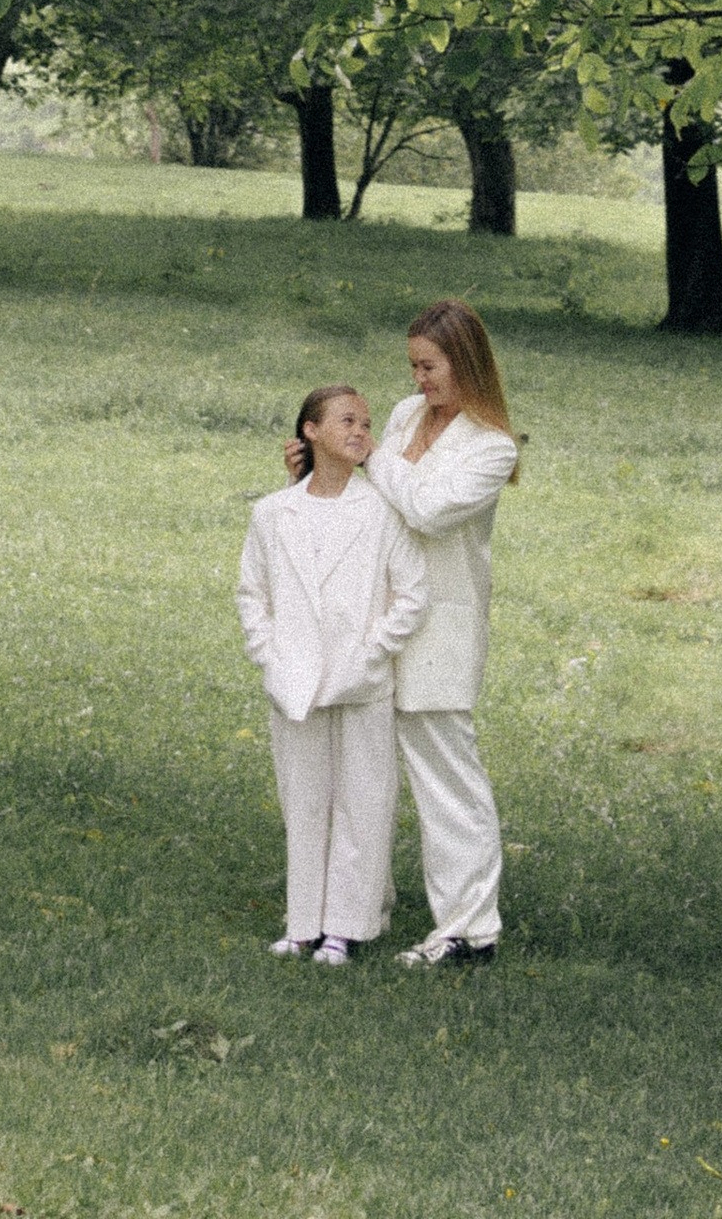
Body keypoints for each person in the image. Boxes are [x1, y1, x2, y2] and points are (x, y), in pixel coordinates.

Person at [355, 298, 523, 969]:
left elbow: (424, 509)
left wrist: (370, 456)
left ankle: (469, 930)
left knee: (447, 779)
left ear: (466, 364)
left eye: (429, 367)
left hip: (441, 627)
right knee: (369, 770)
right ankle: (353, 911)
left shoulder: (492, 447)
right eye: (413, 366)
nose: (418, 380)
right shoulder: (404, 415)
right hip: (381, 614)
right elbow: (376, 503)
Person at [237, 382, 428, 966]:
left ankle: (347, 925)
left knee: (363, 800)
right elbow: (252, 594)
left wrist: (371, 653)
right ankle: (303, 923)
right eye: (346, 420)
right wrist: (270, 657)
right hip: (294, 680)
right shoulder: (273, 513)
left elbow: (411, 595)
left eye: (367, 424)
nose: (361, 432)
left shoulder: (381, 512)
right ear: (310, 432)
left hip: (360, 680)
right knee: (305, 801)